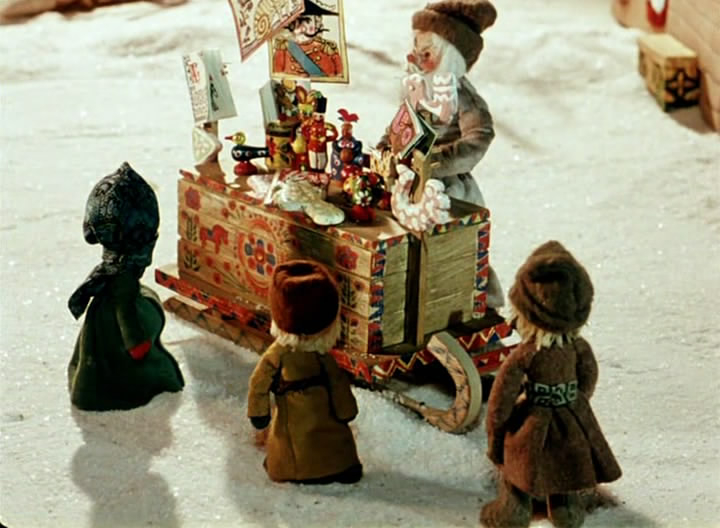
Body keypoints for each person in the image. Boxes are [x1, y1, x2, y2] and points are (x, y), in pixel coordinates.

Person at [481, 241, 622, 528]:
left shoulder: (526, 354)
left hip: (533, 419)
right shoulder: (578, 348)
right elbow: (588, 377)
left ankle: (514, 510)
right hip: (571, 416)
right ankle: (566, 512)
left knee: (518, 463)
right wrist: (574, 403)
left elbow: (501, 399)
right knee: (566, 465)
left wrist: (496, 434)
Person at [378, 0, 504, 309]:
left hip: (446, 188)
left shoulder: (461, 95)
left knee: (451, 250)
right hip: (408, 182)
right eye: (415, 49)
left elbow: (479, 136)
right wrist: (385, 148)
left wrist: (435, 162)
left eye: (427, 52)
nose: (416, 58)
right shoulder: (418, 89)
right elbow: (400, 126)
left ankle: (470, 301)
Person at [67, 162, 184, 411]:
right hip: (120, 350)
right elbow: (126, 313)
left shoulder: (110, 272)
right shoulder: (123, 280)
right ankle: (121, 384)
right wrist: (137, 343)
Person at [247, 260, 362, 484]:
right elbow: (338, 386)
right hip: (331, 439)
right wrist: (346, 411)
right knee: (335, 441)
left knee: (287, 445)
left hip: (292, 445)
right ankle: (339, 467)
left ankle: (288, 467)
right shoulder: (322, 357)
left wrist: (259, 415)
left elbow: (258, 385)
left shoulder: (277, 356)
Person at [272, 1, 343, 78]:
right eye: (297, 21)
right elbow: (277, 77)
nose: (302, 27)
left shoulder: (328, 49)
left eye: (307, 21)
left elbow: (339, 77)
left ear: (317, 24)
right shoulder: (283, 49)